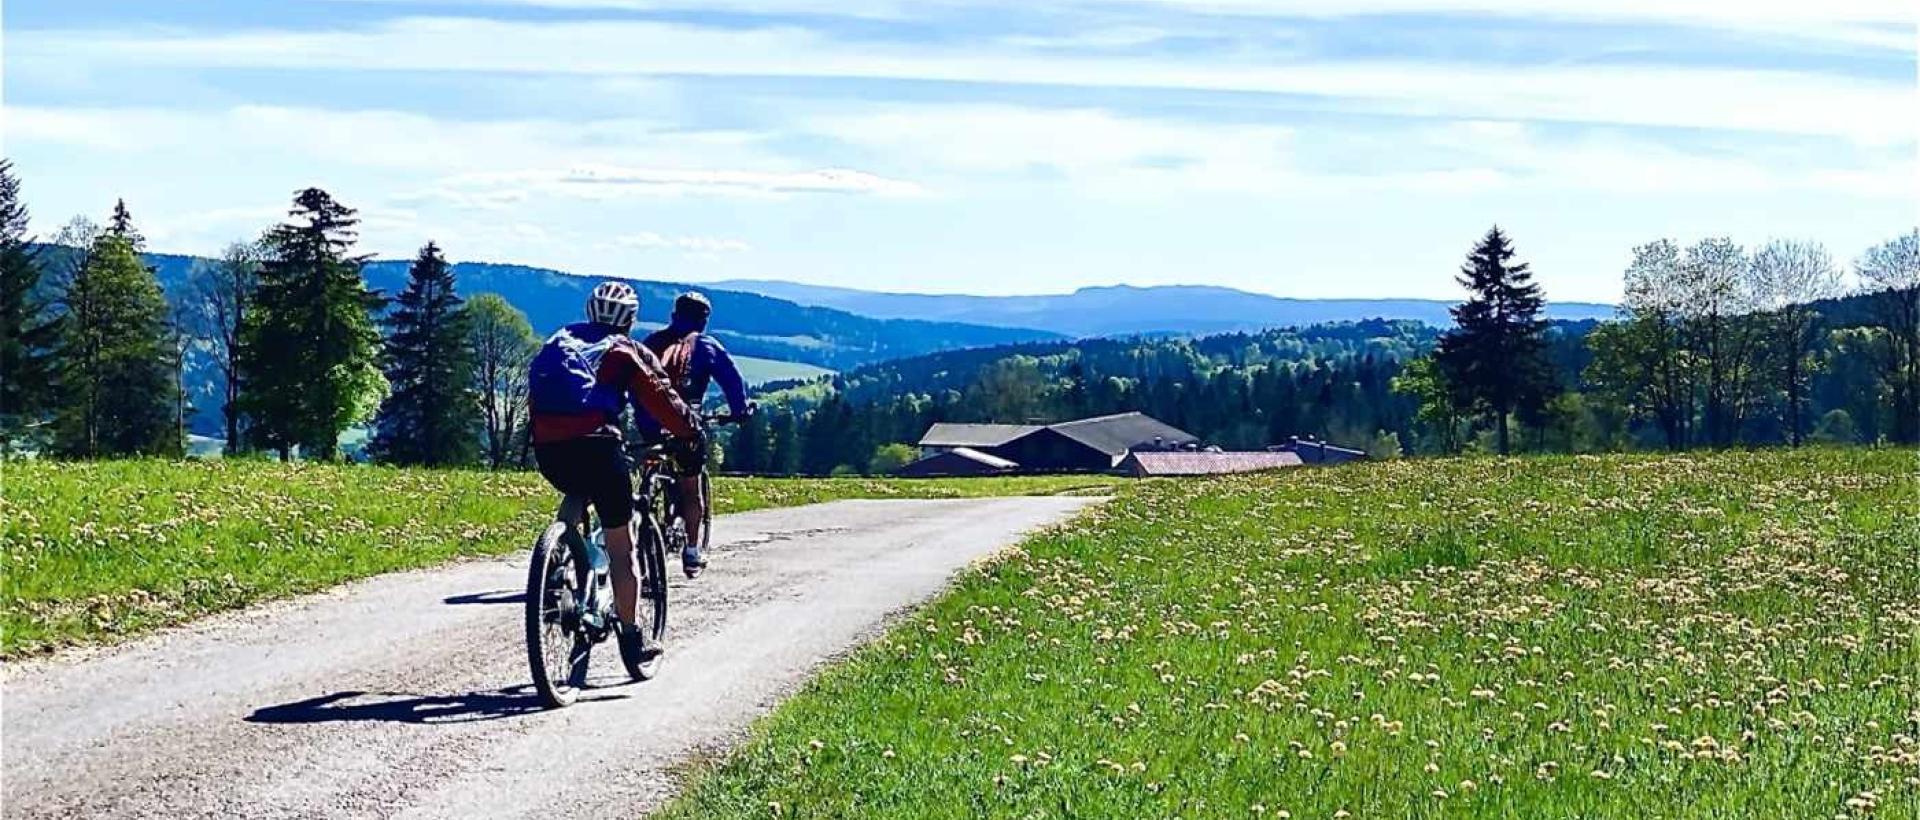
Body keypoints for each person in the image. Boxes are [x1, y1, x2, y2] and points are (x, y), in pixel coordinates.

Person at [527, 281, 700, 661]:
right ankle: (633, 638)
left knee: (578, 488)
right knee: (623, 547)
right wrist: (690, 433)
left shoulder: (560, 339)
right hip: (599, 445)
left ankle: (557, 565)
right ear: (630, 318)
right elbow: (661, 398)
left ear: (590, 309)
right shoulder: (626, 349)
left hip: (549, 449)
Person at [638, 291, 752, 577]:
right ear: (704, 320)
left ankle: (644, 515)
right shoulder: (706, 346)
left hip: (649, 424)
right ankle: (691, 551)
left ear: (674, 314)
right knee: (691, 488)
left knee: (650, 469)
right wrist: (739, 411)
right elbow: (733, 382)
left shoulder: (650, 343)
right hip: (685, 425)